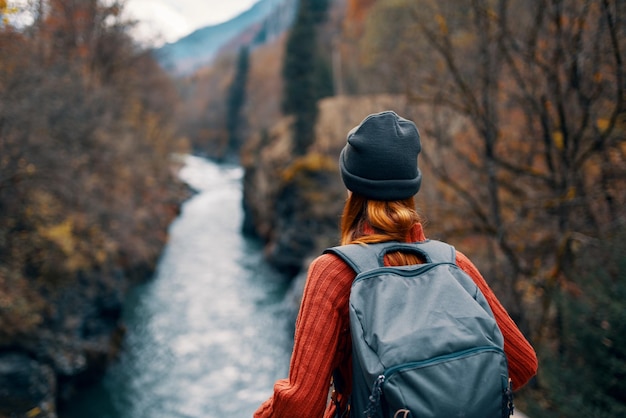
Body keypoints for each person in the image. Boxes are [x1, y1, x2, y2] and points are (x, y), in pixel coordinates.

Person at [254, 111, 538, 418]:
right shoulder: (455, 264)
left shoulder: (333, 273)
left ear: (352, 190)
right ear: (411, 189)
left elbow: (301, 405)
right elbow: (522, 365)